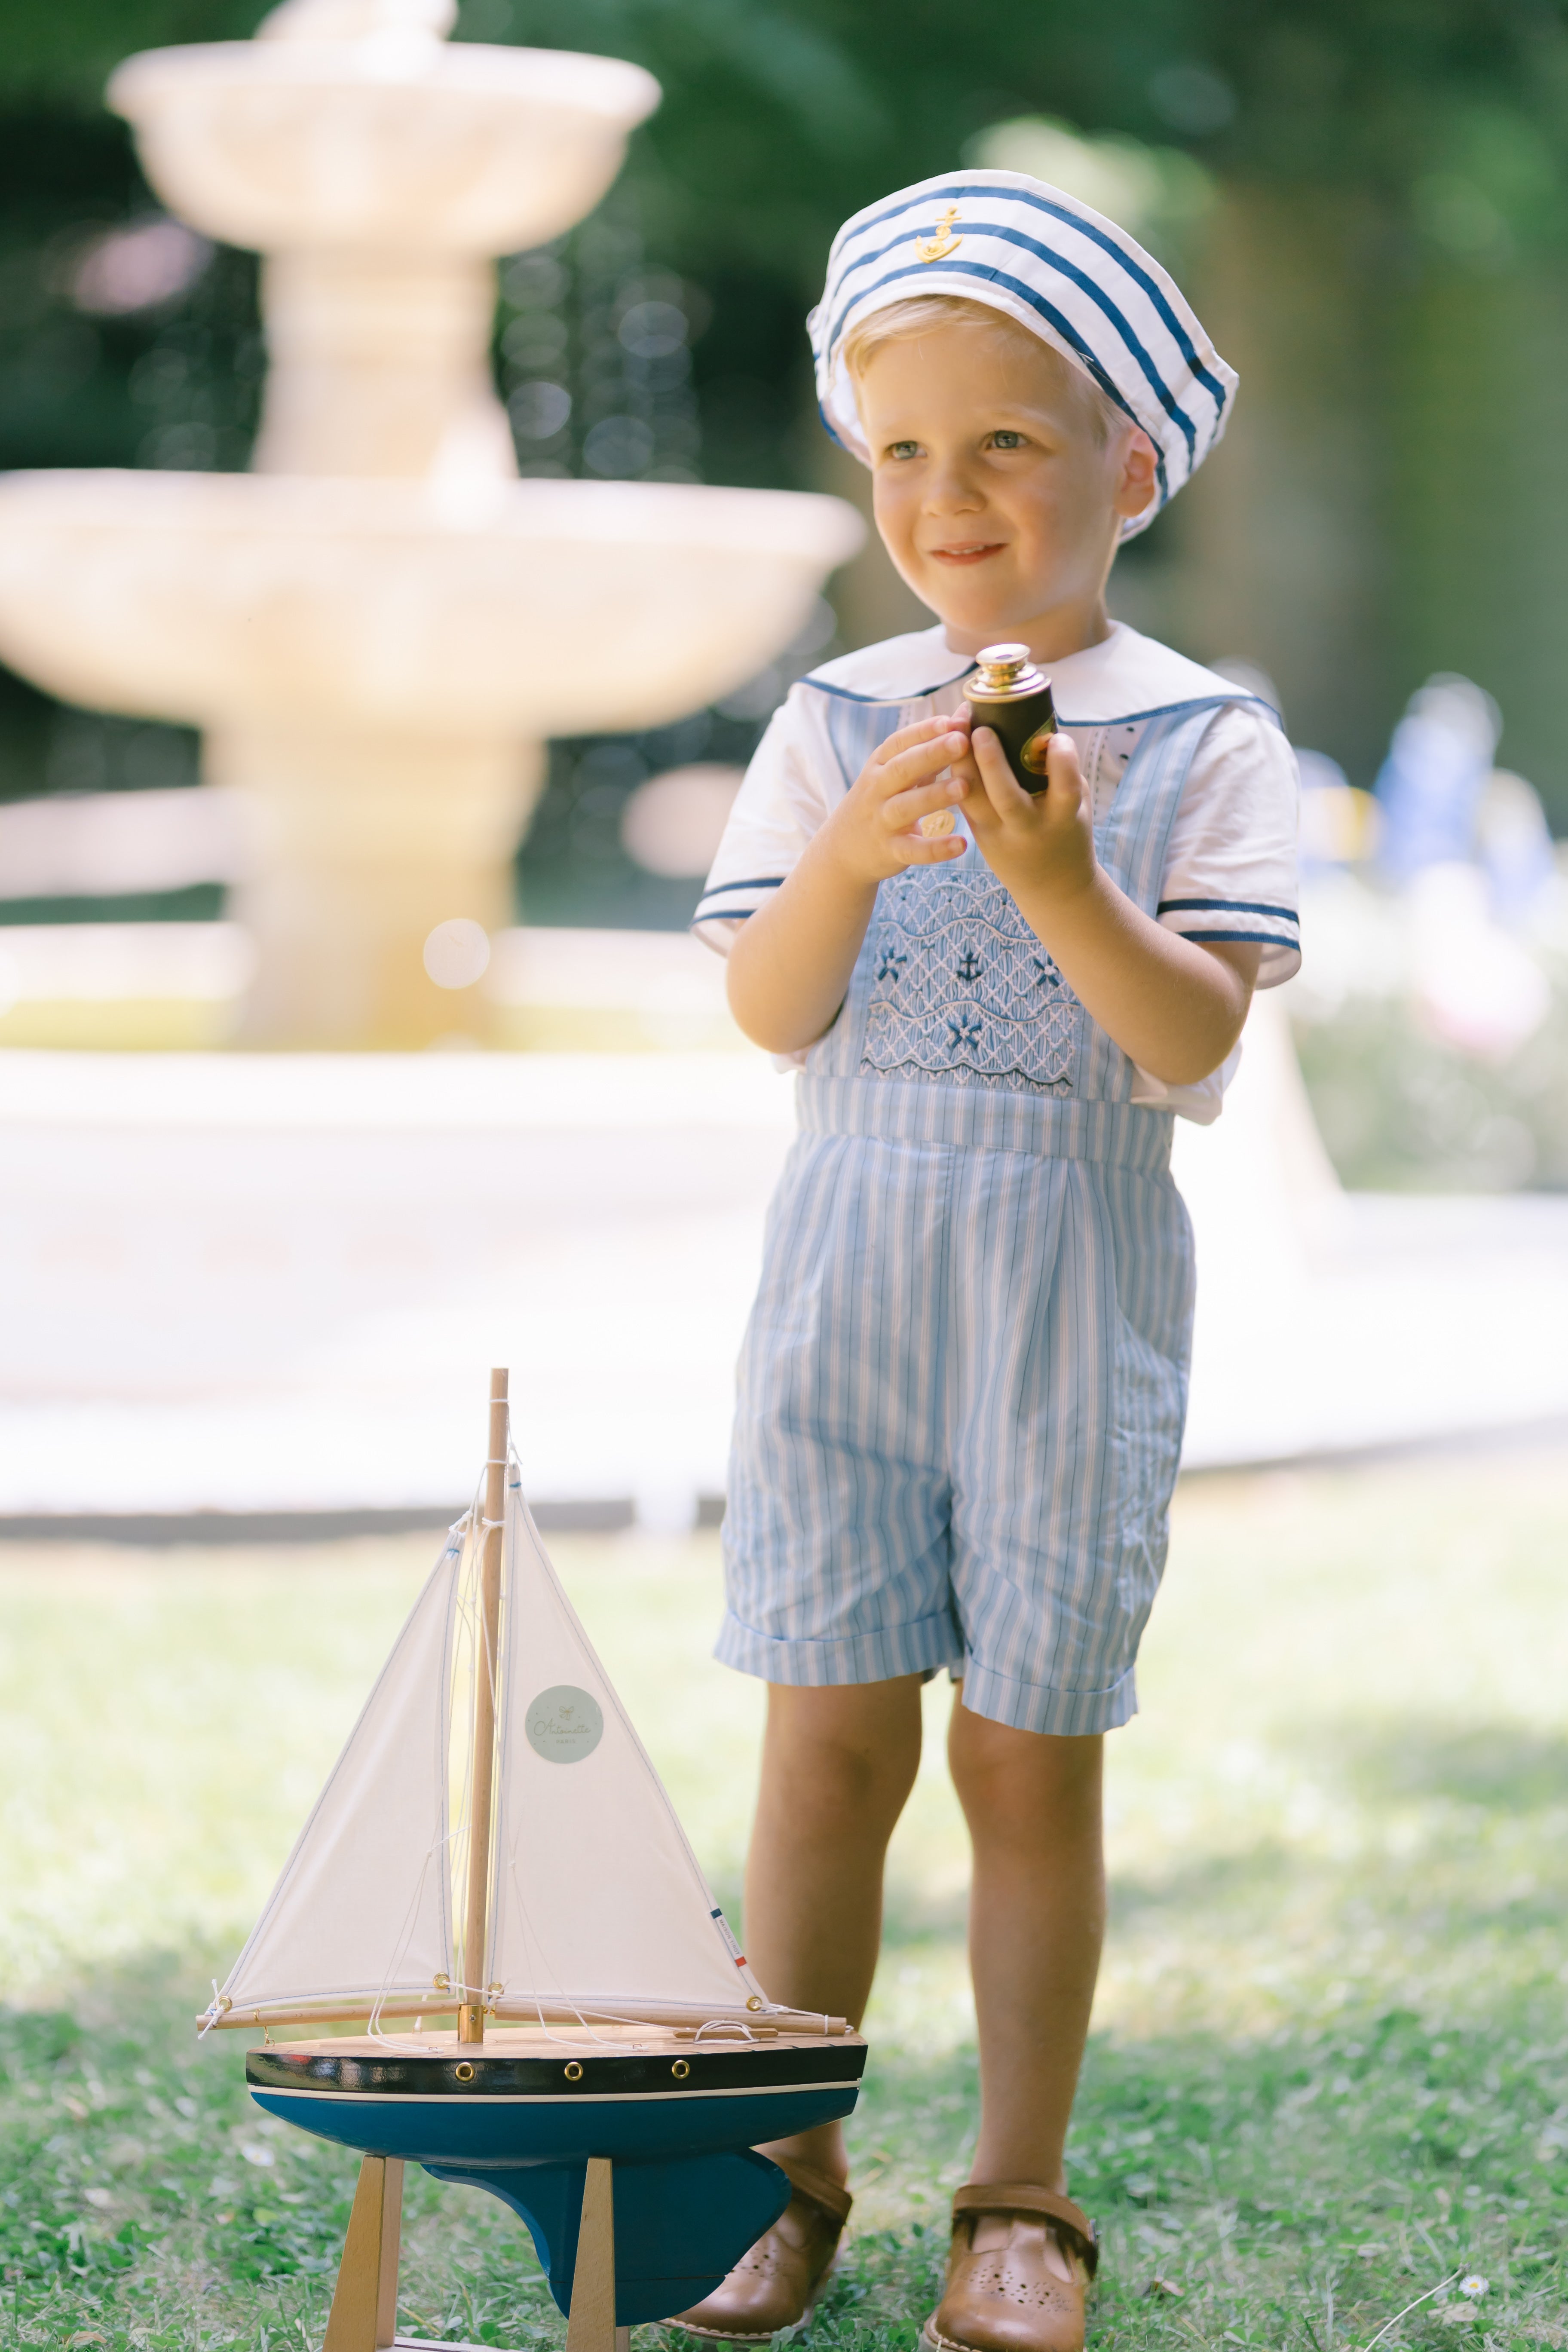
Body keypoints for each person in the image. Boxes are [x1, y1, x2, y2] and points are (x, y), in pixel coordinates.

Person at [678, 170, 1300, 2352]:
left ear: (1129, 467)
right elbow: (769, 1009)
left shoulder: (1205, 739)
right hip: (848, 1295)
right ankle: (780, 2164)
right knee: (823, 1746)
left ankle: (1018, 2202)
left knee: (1030, 1759)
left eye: (1009, 442)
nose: (948, 498)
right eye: (905, 449)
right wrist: (848, 856)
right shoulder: (836, 721)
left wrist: (1058, 877)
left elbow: (1192, 1040)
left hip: (1064, 1306)